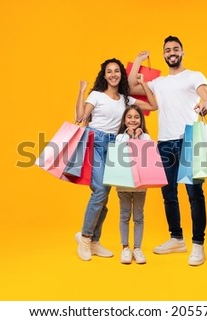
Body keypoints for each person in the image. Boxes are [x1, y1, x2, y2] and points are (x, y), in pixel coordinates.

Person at [128, 36, 207, 266]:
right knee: (169, 194)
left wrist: (206, 105)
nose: (171, 52)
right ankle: (176, 238)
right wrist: (138, 60)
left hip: (189, 139)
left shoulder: (194, 76)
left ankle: (198, 244)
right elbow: (130, 86)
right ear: (164, 54)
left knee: (194, 195)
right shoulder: (158, 82)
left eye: (175, 49)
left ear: (183, 52)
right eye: (167, 50)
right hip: (165, 143)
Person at [74, 58, 154, 261]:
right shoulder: (96, 95)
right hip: (96, 142)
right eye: (109, 71)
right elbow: (80, 116)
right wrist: (82, 91)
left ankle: (94, 241)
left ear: (121, 74)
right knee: (100, 190)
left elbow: (153, 106)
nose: (113, 75)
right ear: (104, 75)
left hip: (116, 146)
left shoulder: (126, 99)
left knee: (105, 194)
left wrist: (143, 81)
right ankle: (84, 237)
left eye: (116, 71)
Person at [115, 105, 151, 264]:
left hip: (141, 185)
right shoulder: (119, 137)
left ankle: (137, 248)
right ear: (124, 120)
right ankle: (125, 248)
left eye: (136, 117)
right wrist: (128, 137)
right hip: (123, 183)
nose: (133, 120)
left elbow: (144, 157)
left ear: (141, 120)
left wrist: (137, 138)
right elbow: (120, 154)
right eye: (129, 117)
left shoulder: (146, 138)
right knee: (124, 215)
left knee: (138, 216)